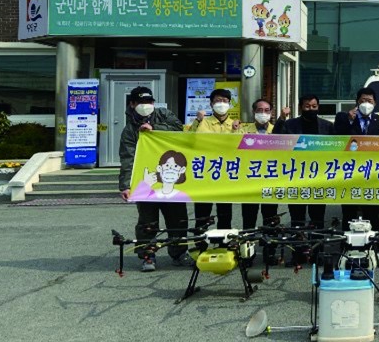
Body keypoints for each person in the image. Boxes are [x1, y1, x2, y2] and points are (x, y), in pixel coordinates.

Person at [118, 86, 188, 272]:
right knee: (147, 222)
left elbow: (179, 129)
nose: (146, 105)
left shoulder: (163, 114)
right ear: (132, 104)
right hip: (146, 181)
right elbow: (128, 159)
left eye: (149, 102)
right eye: (141, 102)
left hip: (171, 178)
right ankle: (147, 255)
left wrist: (154, 128)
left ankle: (179, 252)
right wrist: (125, 186)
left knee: (178, 219)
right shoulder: (129, 131)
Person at [275, 94, 334, 230]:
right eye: (307, 106)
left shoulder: (328, 126)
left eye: (314, 106)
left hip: (319, 178)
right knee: (297, 217)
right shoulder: (290, 124)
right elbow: (276, 140)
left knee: (318, 217)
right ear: (301, 107)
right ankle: (298, 248)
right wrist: (282, 118)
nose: (311, 109)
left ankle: (318, 248)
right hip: (295, 177)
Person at [332, 87, 379, 225]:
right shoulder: (343, 117)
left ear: (375, 104)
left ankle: (371, 241)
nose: (366, 104)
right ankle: (347, 241)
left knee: (371, 209)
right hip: (349, 171)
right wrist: (350, 121)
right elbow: (337, 139)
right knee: (349, 209)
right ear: (357, 102)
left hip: (371, 171)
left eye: (369, 101)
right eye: (363, 100)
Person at [191, 88, 238, 231]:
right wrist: (197, 121)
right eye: (218, 101)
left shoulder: (236, 124)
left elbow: (241, 147)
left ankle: (224, 244)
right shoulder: (203, 122)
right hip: (205, 173)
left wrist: (236, 131)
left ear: (230, 104)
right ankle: (200, 245)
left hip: (226, 175)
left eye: (225, 101)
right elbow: (191, 140)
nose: (221, 104)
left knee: (225, 214)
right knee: (202, 214)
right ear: (211, 104)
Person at [239, 99, 280, 231]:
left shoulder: (278, 131)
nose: (263, 113)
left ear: (271, 113)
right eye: (259, 110)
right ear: (253, 112)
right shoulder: (243, 131)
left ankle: (270, 249)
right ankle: (247, 247)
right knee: (248, 217)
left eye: (266, 110)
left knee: (270, 217)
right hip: (250, 180)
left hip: (271, 180)